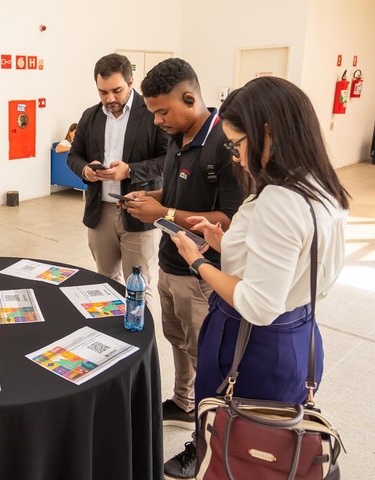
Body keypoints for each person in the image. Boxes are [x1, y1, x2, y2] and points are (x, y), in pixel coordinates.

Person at [162, 76, 350, 478]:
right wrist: (226, 246)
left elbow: (258, 304)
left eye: (237, 144)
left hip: (250, 341)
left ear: (268, 133)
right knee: (275, 439)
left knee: (237, 435)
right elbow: (300, 269)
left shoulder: (279, 201)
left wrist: (198, 261)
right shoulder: (321, 187)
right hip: (298, 331)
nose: (236, 157)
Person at [125, 58, 246, 434]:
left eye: (163, 112)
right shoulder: (178, 139)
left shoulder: (225, 145)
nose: (158, 121)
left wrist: (164, 210)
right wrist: (154, 196)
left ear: (190, 98)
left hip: (202, 273)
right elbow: (179, 189)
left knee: (207, 354)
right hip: (171, 262)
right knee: (177, 339)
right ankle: (184, 401)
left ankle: (208, 436)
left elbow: (230, 218)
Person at [67, 53, 168, 299]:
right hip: (99, 212)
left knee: (139, 287)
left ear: (131, 81)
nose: (110, 98)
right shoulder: (90, 116)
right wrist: (86, 170)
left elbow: (168, 160)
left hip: (138, 211)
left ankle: (138, 333)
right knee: (104, 282)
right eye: (103, 92)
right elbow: (74, 156)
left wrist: (130, 170)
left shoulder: (151, 113)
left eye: (116, 90)